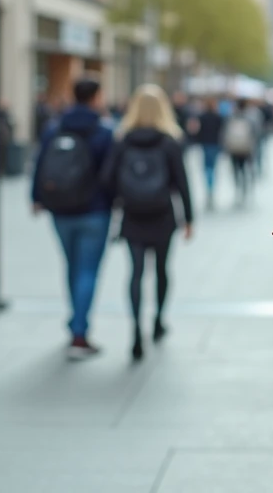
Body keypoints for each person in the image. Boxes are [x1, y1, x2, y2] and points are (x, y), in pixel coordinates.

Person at [102, 84, 195, 361]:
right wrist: (188, 218)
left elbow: (107, 179)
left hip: (132, 216)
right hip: (162, 215)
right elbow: (182, 182)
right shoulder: (170, 141)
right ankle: (157, 321)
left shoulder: (122, 140)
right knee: (162, 270)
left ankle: (135, 330)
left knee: (136, 273)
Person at [32, 76, 115, 360]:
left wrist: (36, 198)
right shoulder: (104, 131)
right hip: (95, 211)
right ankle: (79, 332)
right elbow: (111, 175)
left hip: (61, 210)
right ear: (96, 97)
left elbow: (41, 163)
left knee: (72, 266)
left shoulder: (55, 127)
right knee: (88, 270)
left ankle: (75, 321)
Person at [223, 99, 259, 207]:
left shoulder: (230, 116)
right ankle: (245, 189)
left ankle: (238, 188)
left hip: (234, 148)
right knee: (245, 170)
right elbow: (255, 132)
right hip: (246, 148)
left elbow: (225, 132)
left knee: (236, 170)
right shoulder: (250, 117)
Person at [195, 99, 225, 211]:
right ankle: (211, 187)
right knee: (212, 167)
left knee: (207, 168)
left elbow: (198, 131)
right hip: (215, 144)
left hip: (205, 144)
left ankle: (209, 187)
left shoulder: (202, 117)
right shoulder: (218, 117)